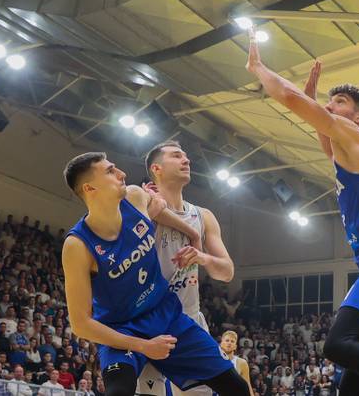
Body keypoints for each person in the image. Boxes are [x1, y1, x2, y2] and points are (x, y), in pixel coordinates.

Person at [245, 37, 359, 396]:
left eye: (339, 103)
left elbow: (290, 99)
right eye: (328, 104)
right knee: (352, 388)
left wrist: (259, 68)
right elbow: (324, 139)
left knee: (338, 344)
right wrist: (315, 101)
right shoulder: (346, 151)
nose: (329, 109)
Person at [61, 152, 249, 396]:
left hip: (166, 315)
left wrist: (191, 233)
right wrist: (144, 346)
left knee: (237, 388)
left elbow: (157, 210)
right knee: (118, 392)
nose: (122, 174)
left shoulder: (135, 197)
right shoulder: (78, 245)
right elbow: (80, 324)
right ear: (90, 188)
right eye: (110, 171)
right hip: (122, 328)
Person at [137, 140, 236, 396]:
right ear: (156, 169)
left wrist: (202, 257)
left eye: (186, 156)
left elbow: (226, 272)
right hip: (148, 321)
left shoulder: (203, 215)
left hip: (189, 320)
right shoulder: (141, 203)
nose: (186, 160)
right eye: (177, 156)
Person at [220, 331, 254, 396]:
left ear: (235, 346)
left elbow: (247, 386)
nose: (229, 343)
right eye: (227, 340)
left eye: (232, 341)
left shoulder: (241, 363)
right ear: (221, 344)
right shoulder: (214, 361)